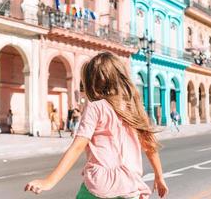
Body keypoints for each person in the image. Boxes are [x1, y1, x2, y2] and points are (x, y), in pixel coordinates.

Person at [25, 52, 168, 198]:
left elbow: (78, 147)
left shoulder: (96, 107)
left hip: (101, 185)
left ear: (92, 82)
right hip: (130, 185)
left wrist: (49, 181)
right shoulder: (134, 107)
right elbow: (149, 145)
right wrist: (159, 176)